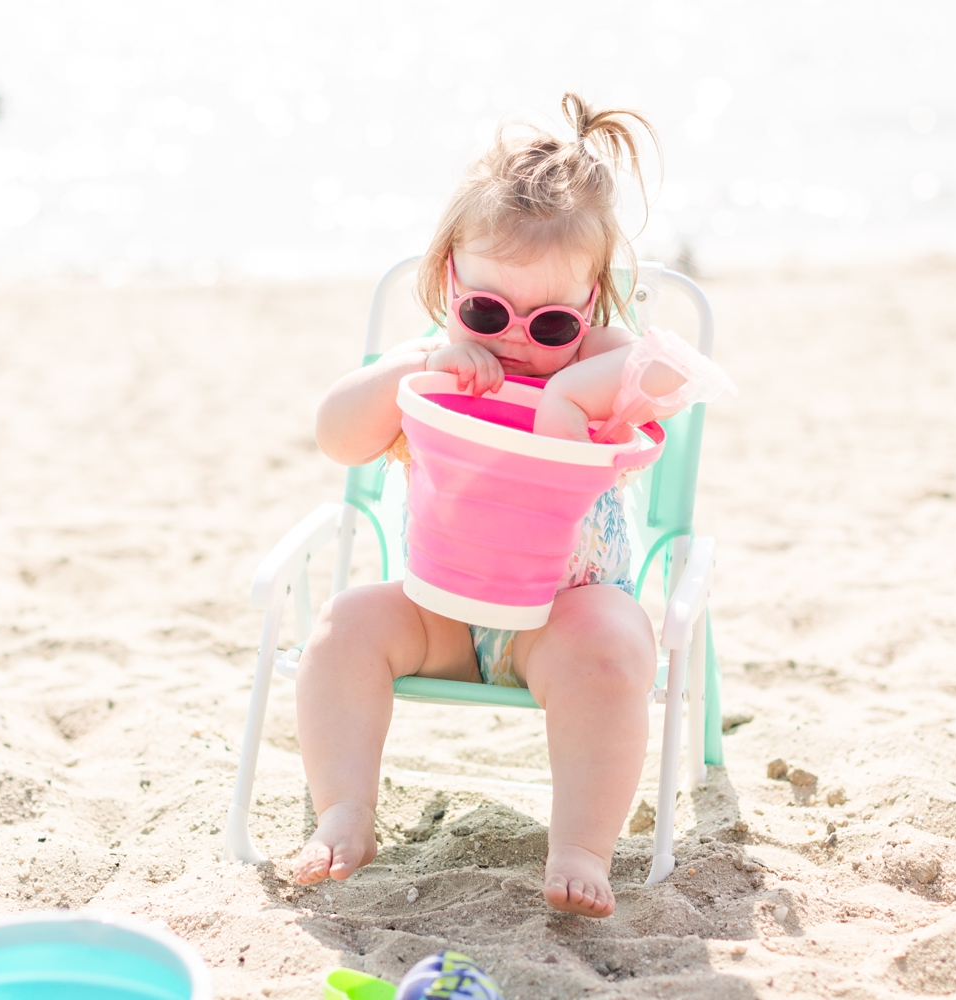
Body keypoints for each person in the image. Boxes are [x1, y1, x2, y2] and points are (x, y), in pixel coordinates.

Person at [292, 94, 694, 918]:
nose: (514, 339)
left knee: (618, 645)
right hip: (439, 607)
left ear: (589, 306)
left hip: (562, 617)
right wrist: (421, 372)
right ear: (449, 283)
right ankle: (345, 810)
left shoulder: (600, 357)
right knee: (342, 629)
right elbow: (336, 435)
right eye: (486, 310)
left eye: (549, 321)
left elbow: (677, 380)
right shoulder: (431, 362)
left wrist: (579, 386)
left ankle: (581, 843)